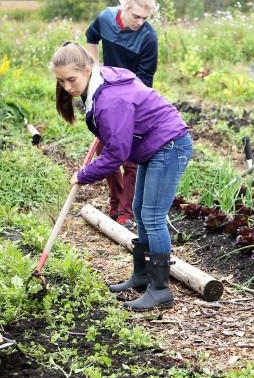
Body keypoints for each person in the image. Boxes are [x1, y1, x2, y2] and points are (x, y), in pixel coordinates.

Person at [51, 42, 192, 312]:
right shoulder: (99, 84)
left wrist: (84, 174)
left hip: (170, 144)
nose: (67, 87)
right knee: (140, 209)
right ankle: (142, 277)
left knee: (151, 215)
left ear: (88, 68)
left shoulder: (109, 100)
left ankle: (160, 289)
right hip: (154, 144)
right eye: (61, 81)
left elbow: (117, 154)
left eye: (71, 79)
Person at [85, 0, 160, 230]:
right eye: (136, 16)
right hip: (104, 94)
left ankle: (126, 212)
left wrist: (127, 107)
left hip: (132, 98)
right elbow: (91, 36)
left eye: (145, 18)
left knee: (130, 156)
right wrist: (95, 69)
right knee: (105, 151)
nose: (140, 22)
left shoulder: (148, 38)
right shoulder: (106, 17)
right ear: (124, 8)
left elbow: (144, 80)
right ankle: (115, 202)